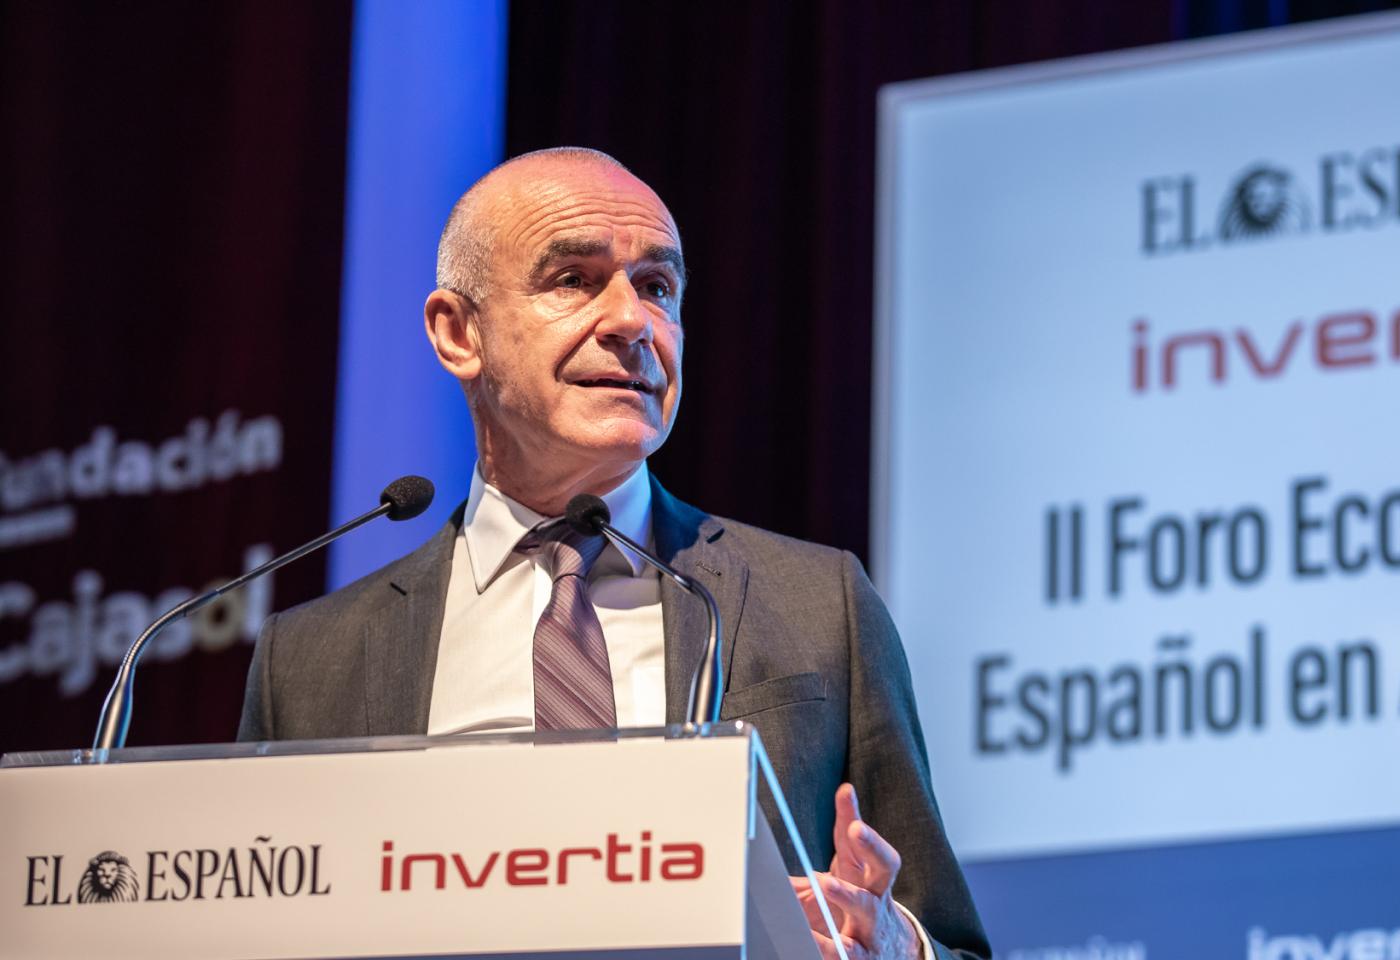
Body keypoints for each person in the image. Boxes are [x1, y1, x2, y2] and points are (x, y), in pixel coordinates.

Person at [237, 147, 989, 960]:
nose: (633, 321)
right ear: (459, 333)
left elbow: (952, 942)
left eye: (658, 288)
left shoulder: (818, 605)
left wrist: (894, 947)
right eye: (574, 280)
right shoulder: (309, 664)